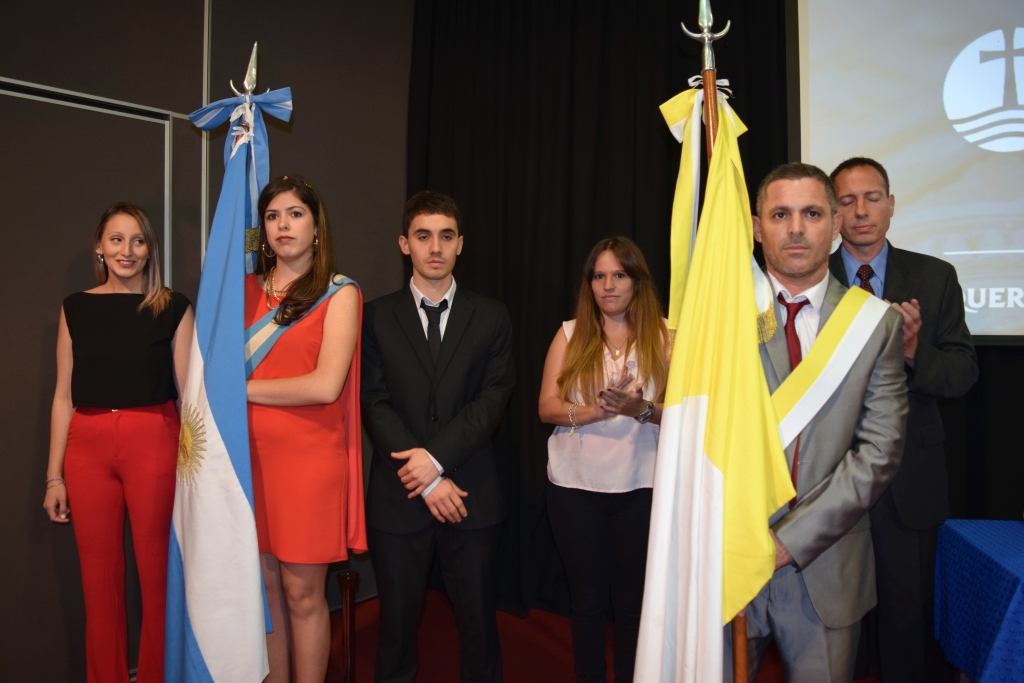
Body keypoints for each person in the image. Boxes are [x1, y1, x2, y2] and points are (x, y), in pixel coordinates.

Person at [725, 163, 908, 682]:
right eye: (780, 214)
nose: (796, 228)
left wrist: (791, 539)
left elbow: (879, 451)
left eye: (812, 213)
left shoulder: (875, 324)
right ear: (757, 227)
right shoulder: (720, 318)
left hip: (825, 569)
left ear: (835, 225)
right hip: (728, 560)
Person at [829, 157, 978, 683]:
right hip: (827, 478)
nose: (861, 211)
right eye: (846, 201)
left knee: (907, 617)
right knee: (833, 620)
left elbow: (962, 373)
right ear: (831, 212)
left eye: (872, 198)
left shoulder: (935, 277)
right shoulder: (809, 279)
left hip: (909, 478)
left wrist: (914, 349)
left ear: (892, 205)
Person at [361, 190, 515, 683]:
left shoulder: (491, 316)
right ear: (404, 243)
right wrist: (426, 479)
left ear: (460, 244)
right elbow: (373, 402)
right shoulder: (375, 316)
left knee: (478, 630)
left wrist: (437, 461)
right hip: (399, 496)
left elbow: (492, 401)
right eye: (423, 236)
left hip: (471, 495)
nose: (435, 247)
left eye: (445, 236)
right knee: (396, 632)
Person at [43, 203, 194, 683]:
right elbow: (63, 396)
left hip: (153, 439)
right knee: (98, 582)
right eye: (116, 239)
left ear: (150, 249)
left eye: (138, 240)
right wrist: (54, 476)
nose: (126, 251)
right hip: (85, 447)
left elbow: (191, 395)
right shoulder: (75, 307)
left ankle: (158, 676)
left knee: (158, 576)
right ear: (99, 247)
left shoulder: (172, 306)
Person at [245, 175, 365, 683]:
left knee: (302, 595)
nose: (283, 225)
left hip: (309, 464)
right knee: (268, 596)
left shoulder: (340, 293)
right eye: (273, 216)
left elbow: (324, 385)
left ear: (316, 226)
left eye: (295, 213)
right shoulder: (245, 291)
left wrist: (240, 391)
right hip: (251, 461)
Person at [538, 237, 668, 683]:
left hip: (641, 488)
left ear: (637, 281)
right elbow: (546, 407)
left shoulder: (668, 337)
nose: (608, 285)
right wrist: (595, 412)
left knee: (634, 602)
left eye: (619, 275)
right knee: (588, 601)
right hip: (575, 489)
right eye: (599, 276)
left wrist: (640, 410)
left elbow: (687, 419)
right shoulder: (570, 333)